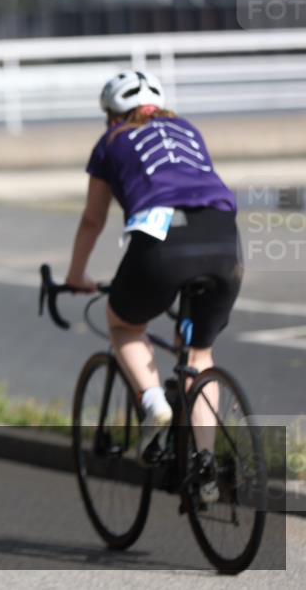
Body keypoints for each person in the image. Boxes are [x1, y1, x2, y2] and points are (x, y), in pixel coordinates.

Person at [64, 71, 241, 477]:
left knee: (123, 324)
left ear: (112, 116)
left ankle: (154, 405)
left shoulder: (111, 140)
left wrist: (77, 275)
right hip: (223, 239)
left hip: (162, 241)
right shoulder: (187, 129)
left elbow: (93, 220)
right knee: (199, 353)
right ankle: (205, 464)